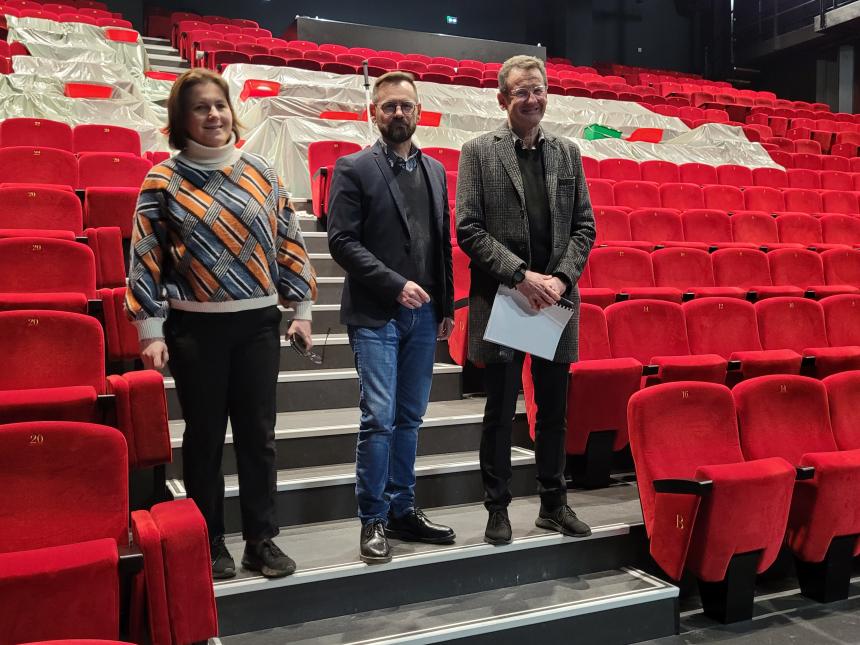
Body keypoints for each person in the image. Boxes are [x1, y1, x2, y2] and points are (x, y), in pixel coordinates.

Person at [125, 68, 317, 579]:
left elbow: (289, 242)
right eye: (200, 107)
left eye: (220, 105)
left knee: (259, 435)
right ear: (181, 119)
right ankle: (209, 541)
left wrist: (300, 311)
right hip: (196, 331)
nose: (214, 114)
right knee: (205, 438)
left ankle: (262, 539)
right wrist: (150, 329)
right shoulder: (162, 180)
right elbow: (146, 258)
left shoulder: (261, 172)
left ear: (233, 112)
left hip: (257, 325)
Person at [456, 55, 596, 545]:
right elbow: (468, 229)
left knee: (554, 410)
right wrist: (521, 275)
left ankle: (554, 504)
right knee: (499, 409)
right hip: (506, 298)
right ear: (503, 99)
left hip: (553, 300)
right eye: (521, 92)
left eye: (538, 90)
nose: (532, 99)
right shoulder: (478, 151)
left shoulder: (569, 153)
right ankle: (498, 508)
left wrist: (558, 279)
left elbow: (585, 227)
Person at [327, 71, 456, 564]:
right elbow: (341, 242)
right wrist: (394, 284)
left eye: (406, 105)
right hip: (376, 312)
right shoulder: (353, 167)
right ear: (373, 113)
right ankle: (373, 518)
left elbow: (441, 244)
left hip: (423, 318)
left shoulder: (437, 172)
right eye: (389, 107)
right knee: (378, 419)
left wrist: (443, 306)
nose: (398, 113)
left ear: (419, 111)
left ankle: (403, 508)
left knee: (410, 418)